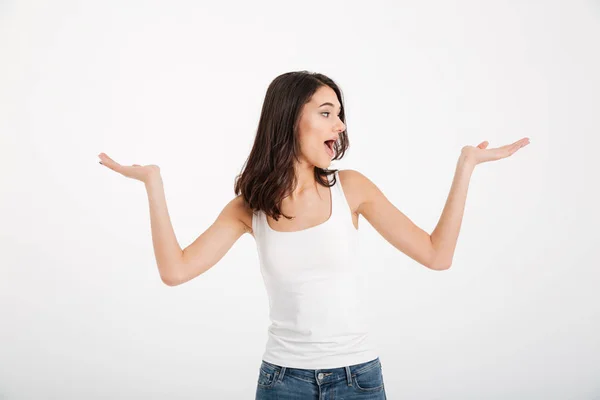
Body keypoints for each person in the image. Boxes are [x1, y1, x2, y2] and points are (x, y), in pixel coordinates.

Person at [98, 71, 530, 399]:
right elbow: (175, 271)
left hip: (357, 379)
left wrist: (466, 166)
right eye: (326, 113)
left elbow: (437, 255)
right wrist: (153, 183)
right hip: (282, 382)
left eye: (339, 115)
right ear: (289, 120)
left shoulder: (352, 188)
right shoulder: (251, 206)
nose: (339, 125)